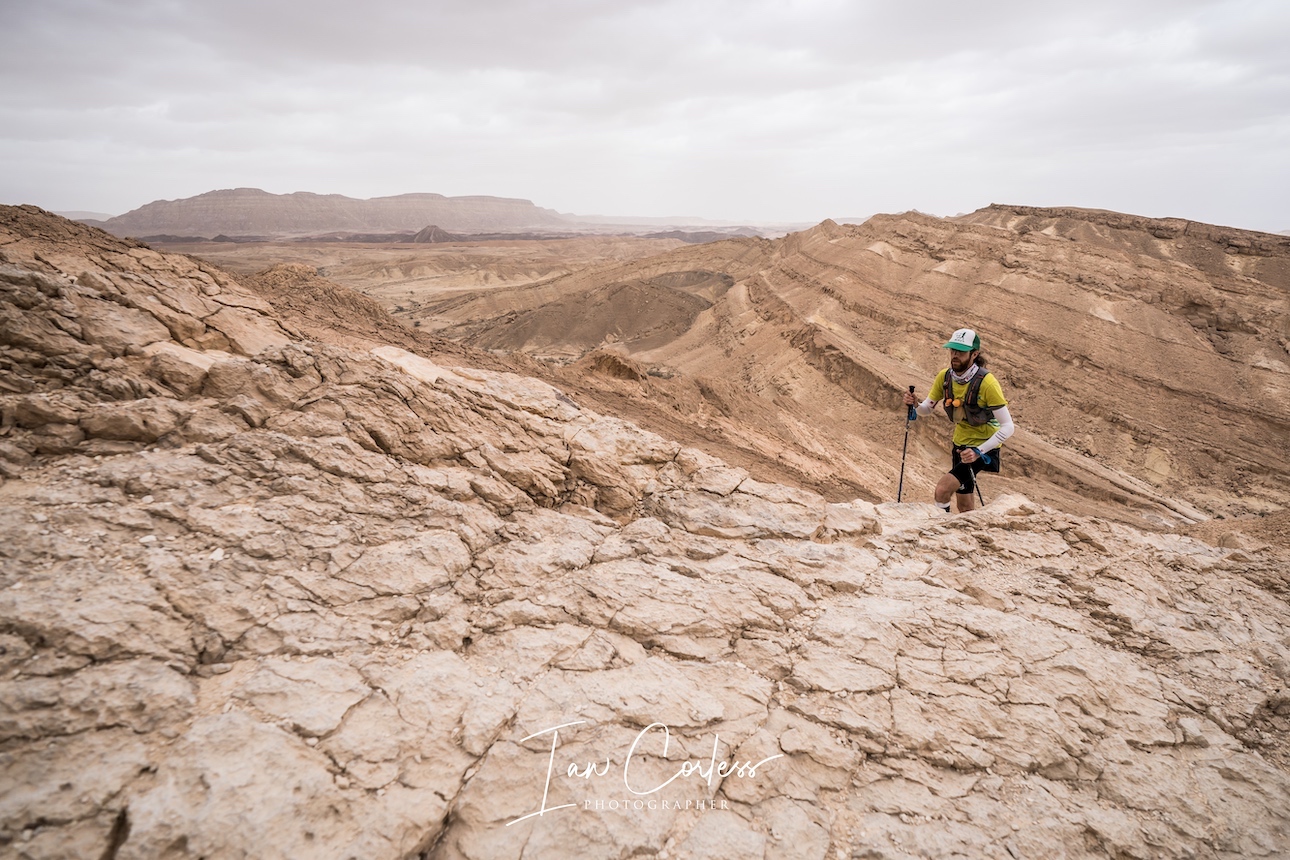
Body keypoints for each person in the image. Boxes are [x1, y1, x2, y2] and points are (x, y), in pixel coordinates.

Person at [903, 328, 1015, 513]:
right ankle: (972, 530)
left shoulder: (987, 383)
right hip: (960, 445)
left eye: (961, 351)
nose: (955, 355)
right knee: (964, 505)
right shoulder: (945, 377)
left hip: (983, 448)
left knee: (942, 490)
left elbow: (1008, 426)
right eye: (953, 350)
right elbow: (926, 410)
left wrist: (978, 452)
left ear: (974, 354)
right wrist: (916, 404)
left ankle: (940, 527)